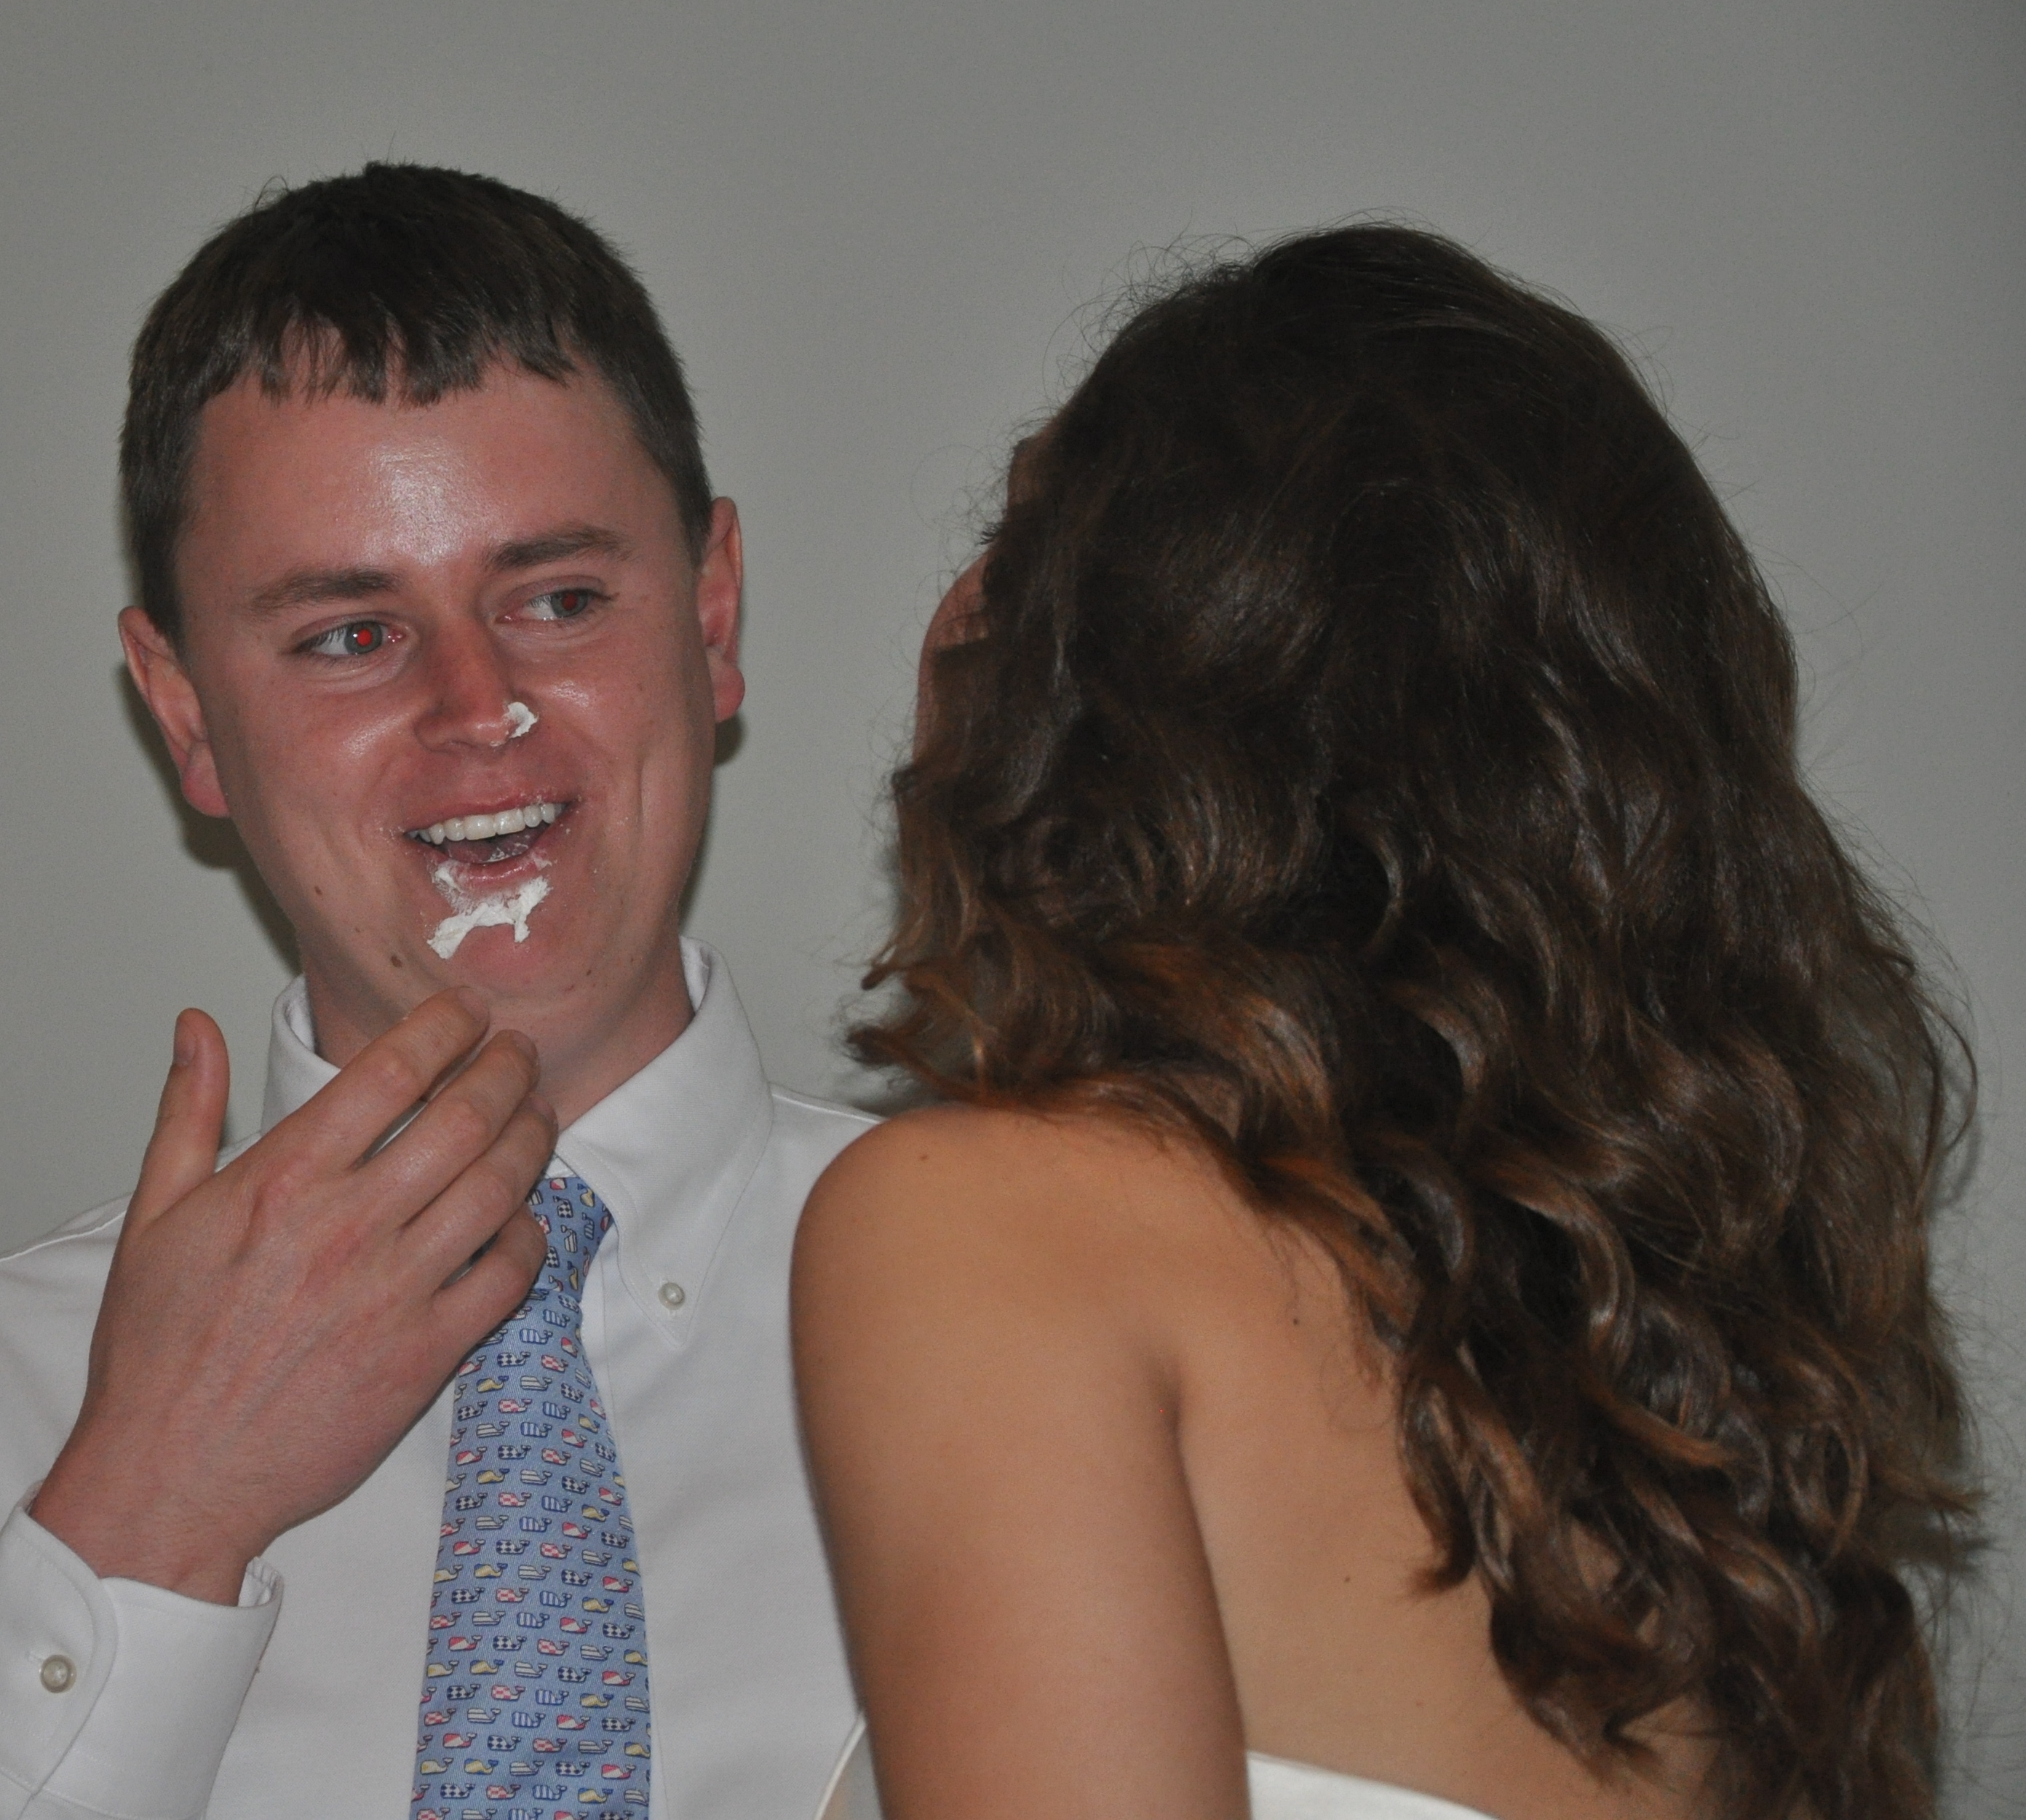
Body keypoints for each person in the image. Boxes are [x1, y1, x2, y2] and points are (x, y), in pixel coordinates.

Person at [0, 164, 873, 1820]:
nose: (480, 705)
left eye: (559, 599)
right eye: (350, 635)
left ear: (710, 619)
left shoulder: (1074, 1317)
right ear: (185, 717)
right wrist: (151, 1509)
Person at [795, 227, 1973, 1820]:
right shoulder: (1662, 1374)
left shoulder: (993, 1223)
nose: (960, 606)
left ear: (1116, 685)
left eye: (1021, 545)